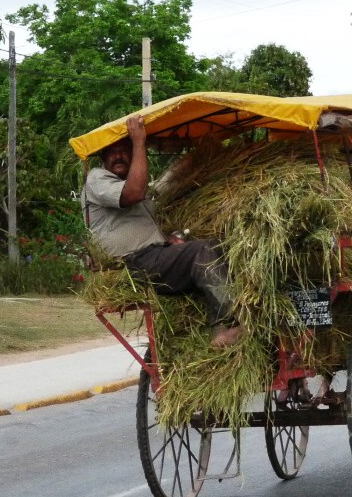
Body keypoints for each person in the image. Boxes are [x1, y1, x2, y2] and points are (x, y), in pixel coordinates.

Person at [84, 115, 242, 348]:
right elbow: (134, 193)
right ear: (103, 159)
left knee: (223, 247)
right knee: (204, 251)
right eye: (112, 152)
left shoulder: (135, 189)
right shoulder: (97, 179)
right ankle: (224, 328)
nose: (118, 155)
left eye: (124, 150)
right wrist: (138, 142)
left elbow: (140, 217)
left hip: (152, 258)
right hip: (134, 264)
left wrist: (167, 241)